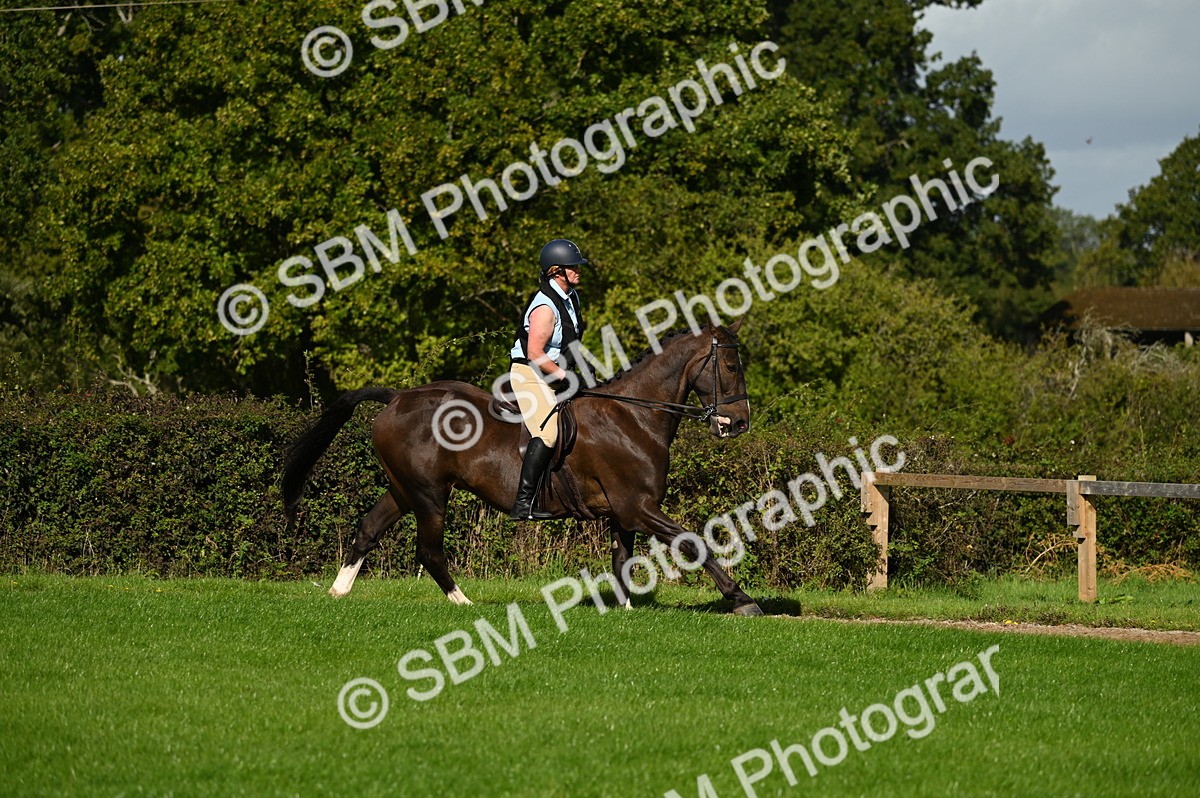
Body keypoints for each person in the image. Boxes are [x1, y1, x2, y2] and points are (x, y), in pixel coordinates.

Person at [508, 238, 587, 520]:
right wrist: (567, 376)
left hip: (555, 371)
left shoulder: (571, 298)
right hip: (530, 372)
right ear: (556, 271)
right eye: (573, 266)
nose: (578, 270)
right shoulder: (545, 306)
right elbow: (535, 353)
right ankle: (523, 503)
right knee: (548, 432)